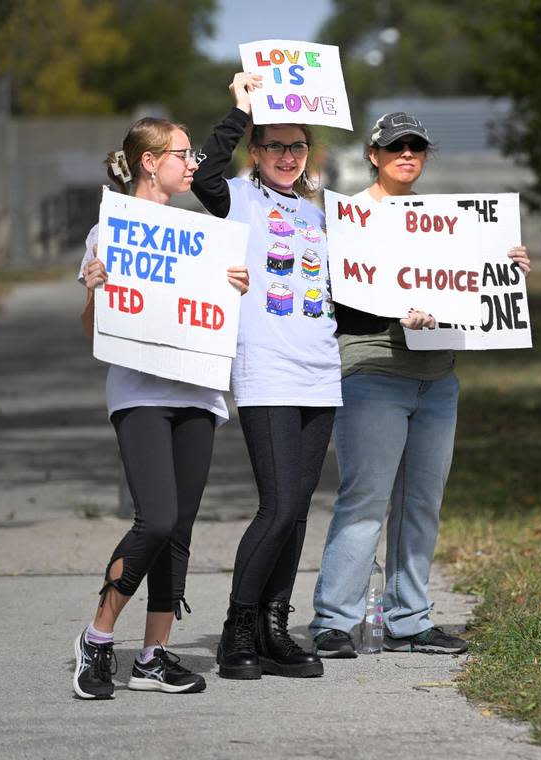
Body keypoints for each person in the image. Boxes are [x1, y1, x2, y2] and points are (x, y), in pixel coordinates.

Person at [308, 112, 531, 657]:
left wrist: (508, 266)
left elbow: (470, 283)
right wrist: (390, 312)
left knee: (422, 502)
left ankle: (409, 619)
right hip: (373, 372)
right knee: (365, 498)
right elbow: (329, 296)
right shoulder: (348, 217)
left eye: (416, 147)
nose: (407, 154)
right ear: (373, 154)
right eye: (395, 146)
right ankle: (335, 621)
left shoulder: (448, 219)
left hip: (437, 378)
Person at [72, 117, 250, 699]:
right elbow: (94, 331)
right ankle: (98, 639)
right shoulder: (110, 232)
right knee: (158, 518)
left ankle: (154, 654)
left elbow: (217, 311)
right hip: (141, 394)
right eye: (182, 154)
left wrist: (234, 288)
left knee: (180, 530)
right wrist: (96, 290)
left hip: (198, 393)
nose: (192, 163)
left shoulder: (204, 233)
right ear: (150, 162)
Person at [192, 73, 342, 678]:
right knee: (278, 506)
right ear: (256, 151)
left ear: (308, 154)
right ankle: (239, 629)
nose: (287, 157)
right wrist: (239, 111)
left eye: (297, 147)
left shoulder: (319, 214)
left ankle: (277, 629)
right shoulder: (238, 199)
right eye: (275, 146)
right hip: (268, 369)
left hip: (320, 371)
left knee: (300, 510)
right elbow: (201, 175)